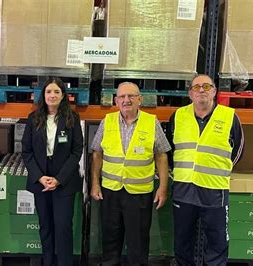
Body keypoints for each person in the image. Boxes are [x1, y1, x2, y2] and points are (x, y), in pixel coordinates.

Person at [166, 74, 244, 265]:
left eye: (207, 87)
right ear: (190, 93)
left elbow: (239, 150)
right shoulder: (177, 116)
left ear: (215, 92)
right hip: (183, 191)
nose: (201, 90)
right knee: (182, 243)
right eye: (197, 87)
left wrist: (220, 169)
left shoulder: (229, 117)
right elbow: (169, 150)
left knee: (217, 244)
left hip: (215, 192)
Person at [90, 82, 170, 265]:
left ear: (139, 99)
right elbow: (96, 154)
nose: (127, 100)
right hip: (110, 191)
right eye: (122, 97)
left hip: (139, 193)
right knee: (110, 240)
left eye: (131, 96)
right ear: (116, 100)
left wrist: (163, 188)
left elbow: (161, 156)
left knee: (138, 243)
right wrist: (95, 183)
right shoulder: (107, 121)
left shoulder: (151, 122)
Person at [21, 77, 84, 266]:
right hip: (41, 179)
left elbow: (76, 151)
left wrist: (58, 179)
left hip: (64, 181)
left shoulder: (72, 118)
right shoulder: (34, 118)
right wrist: (40, 177)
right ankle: (47, 262)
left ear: (63, 95)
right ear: (43, 95)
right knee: (45, 226)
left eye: (57, 91)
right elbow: (26, 151)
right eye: (49, 91)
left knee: (63, 227)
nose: (52, 95)